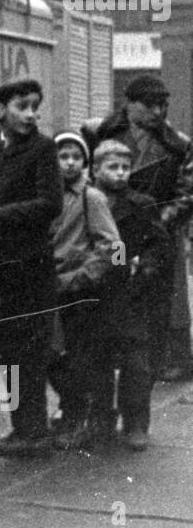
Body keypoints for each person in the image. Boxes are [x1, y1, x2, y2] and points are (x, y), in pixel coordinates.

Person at [0, 78, 63, 458]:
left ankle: (32, 431)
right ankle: (25, 428)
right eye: (22, 106)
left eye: (35, 105)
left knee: (30, 347)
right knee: (11, 346)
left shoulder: (42, 148)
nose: (31, 113)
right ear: (2, 108)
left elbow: (50, 203)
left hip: (33, 262)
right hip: (2, 261)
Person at [85, 75, 193, 381]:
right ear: (130, 104)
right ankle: (122, 354)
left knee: (161, 297)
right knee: (117, 284)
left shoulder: (178, 144)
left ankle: (161, 361)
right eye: (150, 105)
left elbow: (188, 193)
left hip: (157, 234)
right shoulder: (100, 132)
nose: (158, 112)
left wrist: (158, 222)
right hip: (114, 232)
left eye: (162, 105)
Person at [88, 140, 171, 450]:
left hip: (130, 293)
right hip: (93, 289)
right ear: (96, 170)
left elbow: (158, 243)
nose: (121, 174)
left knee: (136, 361)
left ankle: (135, 422)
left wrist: (144, 266)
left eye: (125, 167)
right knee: (96, 360)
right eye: (113, 167)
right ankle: (100, 419)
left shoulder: (140, 203)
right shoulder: (87, 202)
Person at [48, 131, 120, 450]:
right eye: (62, 156)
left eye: (76, 157)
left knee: (80, 357)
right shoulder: (46, 195)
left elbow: (113, 246)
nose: (69, 163)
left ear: (85, 162)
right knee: (53, 357)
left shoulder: (92, 197)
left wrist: (85, 276)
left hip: (79, 291)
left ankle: (83, 419)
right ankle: (70, 411)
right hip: (48, 287)